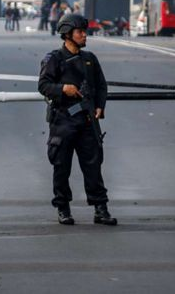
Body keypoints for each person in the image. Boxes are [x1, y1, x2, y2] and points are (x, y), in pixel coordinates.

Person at [38, 13, 117, 226]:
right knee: (61, 167)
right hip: (63, 121)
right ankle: (63, 208)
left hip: (88, 121)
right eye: (80, 32)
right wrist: (63, 88)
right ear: (67, 34)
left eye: (84, 32)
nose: (84, 35)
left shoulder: (90, 59)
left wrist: (100, 106)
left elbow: (101, 86)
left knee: (93, 166)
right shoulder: (54, 59)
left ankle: (100, 208)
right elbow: (43, 85)